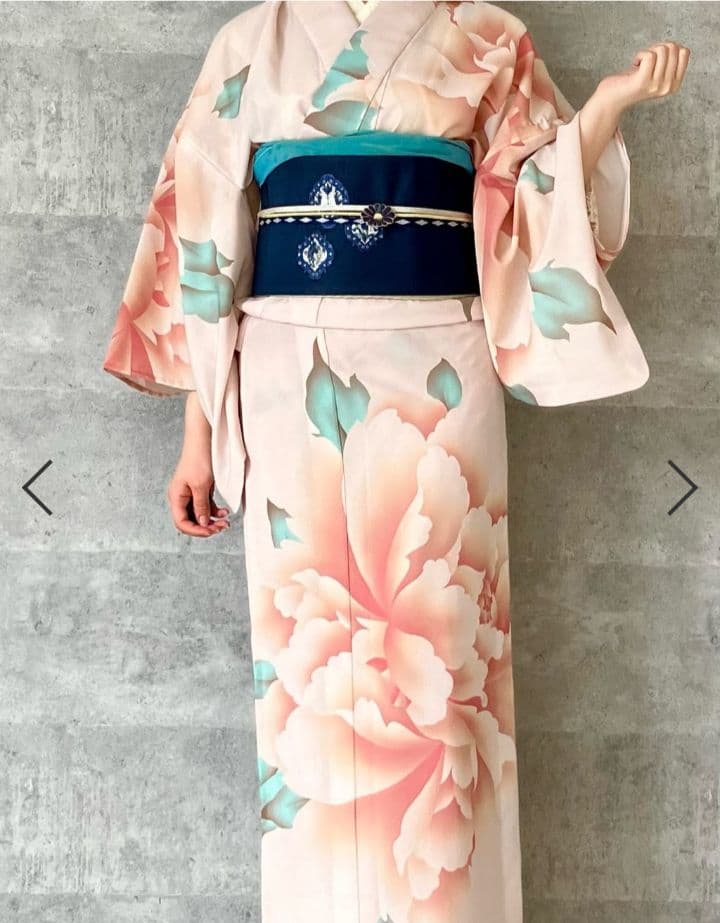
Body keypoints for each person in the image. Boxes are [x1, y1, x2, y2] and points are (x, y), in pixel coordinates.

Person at [102, 2, 689, 920]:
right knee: (308, 665)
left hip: (440, 371)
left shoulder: (487, 33)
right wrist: (198, 434)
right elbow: (207, 240)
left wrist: (606, 108)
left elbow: (533, 197)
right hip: (288, 369)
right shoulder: (251, 42)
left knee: (445, 657)